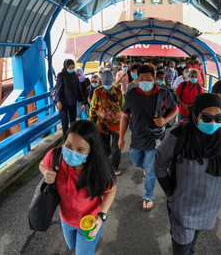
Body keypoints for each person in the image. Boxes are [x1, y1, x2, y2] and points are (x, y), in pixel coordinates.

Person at [155, 93, 221, 255]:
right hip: (183, 207)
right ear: (195, 114)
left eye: (219, 118)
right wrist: (169, 192)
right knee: (182, 246)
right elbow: (159, 165)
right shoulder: (178, 136)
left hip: (210, 206)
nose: (213, 123)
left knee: (193, 239)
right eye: (207, 118)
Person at [39, 120, 116, 255]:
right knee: (72, 246)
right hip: (66, 220)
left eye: (80, 149)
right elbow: (42, 164)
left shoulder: (99, 169)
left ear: (91, 150)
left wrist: (101, 216)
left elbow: (111, 190)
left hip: (89, 222)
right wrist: (46, 173)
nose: (72, 152)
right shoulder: (55, 156)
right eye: (68, 145)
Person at [118, 64, 178, 210]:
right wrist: (121, 137)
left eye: (149, 78)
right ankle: (145, 166)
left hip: (156, 138)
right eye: (142, 78)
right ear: (137, 79)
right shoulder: (131, 94)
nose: (145, 81)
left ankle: (148, 195)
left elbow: (175, 109)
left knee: (151, 170)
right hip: (137, 137)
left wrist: (164, 120)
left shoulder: (164, 94)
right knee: (136, 160)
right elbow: (125, 116)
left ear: (154, 78)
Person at [89, 71, 125, 176]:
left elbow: (124, 108)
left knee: (116, 147)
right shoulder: (97, 92)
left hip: (116, 124)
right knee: (104, 147)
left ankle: (114, 166)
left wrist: (126, 121)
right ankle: (106, 164)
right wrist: (90, 122)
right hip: (102, 124)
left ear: (112, 81)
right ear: (102, 82)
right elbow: (93, 108)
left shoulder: (118, 92)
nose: (107, 86)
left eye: (109, 83)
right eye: (105, 83)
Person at [55, 59, 82, 138]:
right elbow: (58, 88)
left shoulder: (75, 75)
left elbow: (78, 88)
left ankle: (72, 136)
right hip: (63, 102)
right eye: (69, 67)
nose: (71, 69)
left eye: (73, 67)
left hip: (72, 101)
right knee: (65, 121)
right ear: (66, 66)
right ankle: (66, 138)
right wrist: (58, 101)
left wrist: (82, 101)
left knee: (73, 120)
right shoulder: (61, 75)